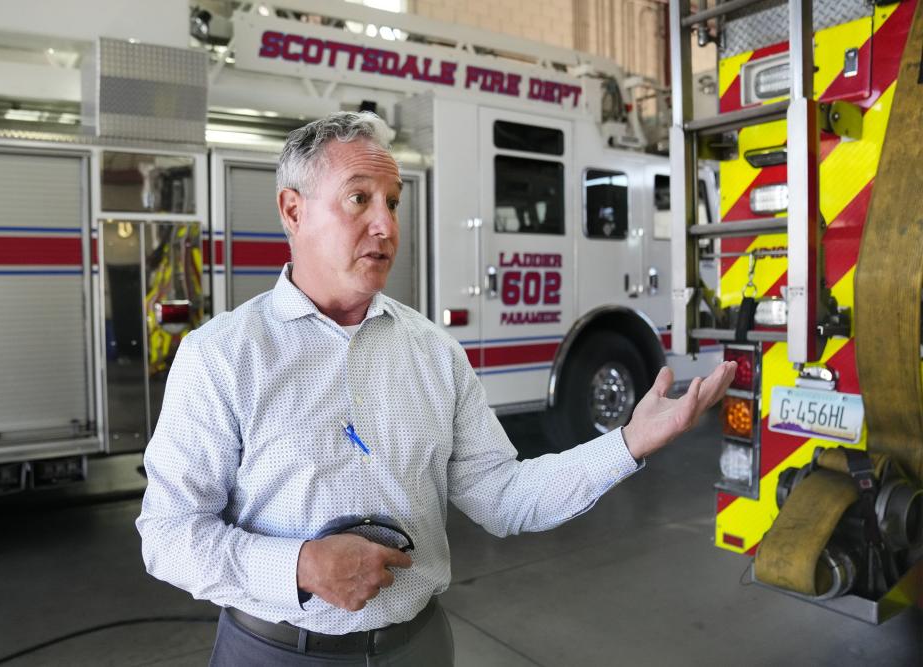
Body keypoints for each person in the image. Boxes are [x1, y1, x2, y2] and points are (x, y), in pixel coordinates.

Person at [136, 111, 736, 666]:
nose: (386, 226)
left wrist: (628, 442)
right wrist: (297, 567)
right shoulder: (222, 357)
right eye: (359, 199)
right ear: (293, 211)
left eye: (393, 203)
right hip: (275, 653)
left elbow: (502, 496)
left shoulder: (433, 353)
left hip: (416, 648)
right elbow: (168, 534)